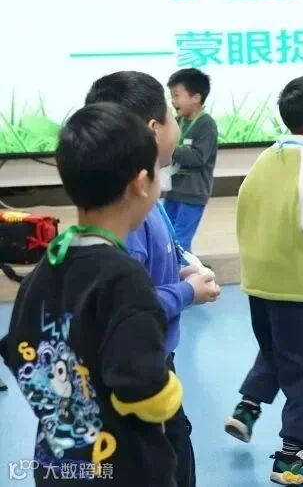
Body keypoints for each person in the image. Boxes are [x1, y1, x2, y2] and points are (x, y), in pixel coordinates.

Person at [0, 103, 184, 486]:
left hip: (57, 466)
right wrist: (171, 393)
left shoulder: (47, 266)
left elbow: (19, 351)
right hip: (122, 472)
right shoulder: (126, 279)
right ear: (141, 182)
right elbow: (144, 388)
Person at [85, 71, 221, 487]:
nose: (176, 121)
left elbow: (155, 265)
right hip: (141, 366)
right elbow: (127, 308)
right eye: (170, 114)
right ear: (152, 130)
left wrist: (183, 268)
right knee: (166, 459)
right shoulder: (128, 217)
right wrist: (187, 291)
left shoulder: (149, 200)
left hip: (157, 356)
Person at [224, 76, 303, 485]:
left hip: (257, 280)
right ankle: (291, 457)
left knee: (276, 349)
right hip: (295, 284)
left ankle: (247, 406)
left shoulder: (265, 158)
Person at [164, 68, 219, 253]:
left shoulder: (206, 124)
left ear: (196, 97)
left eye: (176, 95)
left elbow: (198, 157)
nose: (173, 101)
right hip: (173, 191)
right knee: (167, 237)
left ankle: (183, 270)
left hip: (193, 193)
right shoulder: (177, 121)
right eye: (171, 96)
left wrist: (170, 148)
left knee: (181, 241)